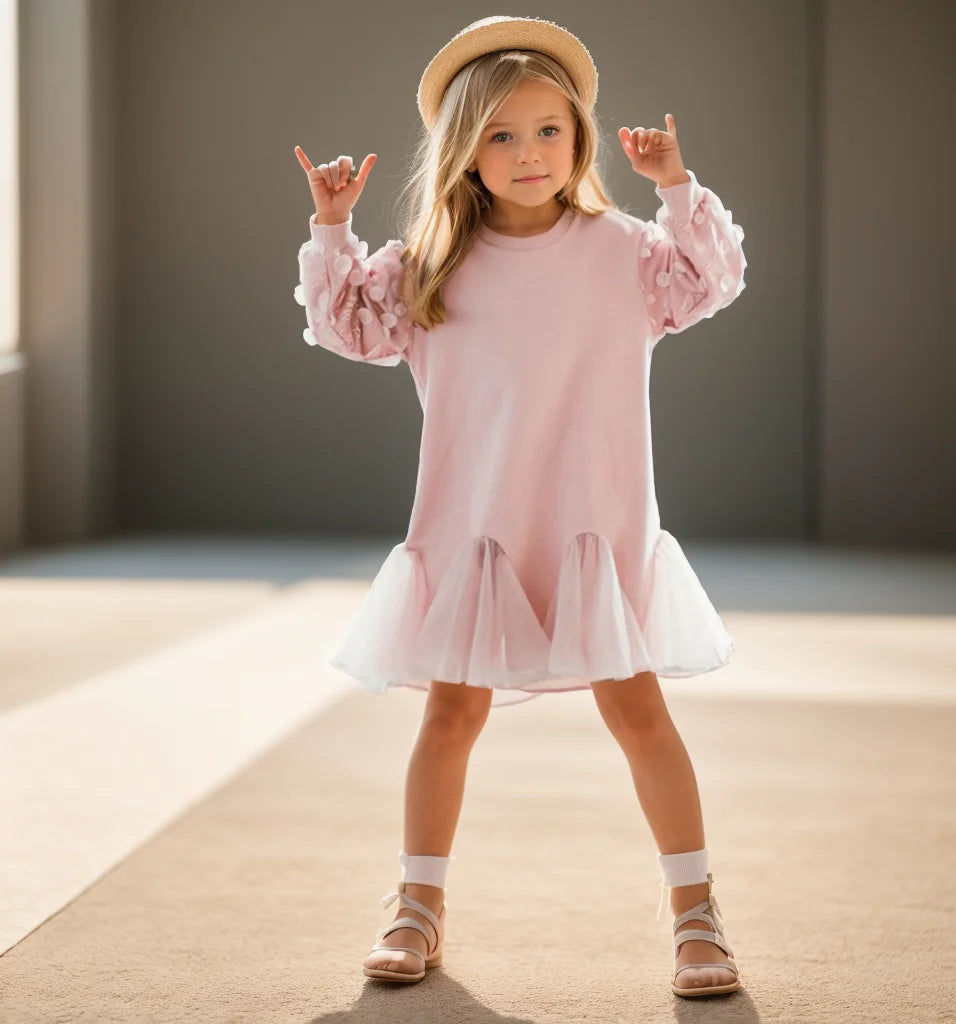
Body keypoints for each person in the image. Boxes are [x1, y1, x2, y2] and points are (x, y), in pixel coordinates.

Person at [293, 15, 747, 999]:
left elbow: (711, 278)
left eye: (548, 130)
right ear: (465, 150)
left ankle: (695, 911)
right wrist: (332, 224)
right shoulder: (428, 265)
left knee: (638, 710)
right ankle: (416, 905)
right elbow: (343, 327)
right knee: (451, 713)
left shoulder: (625, 252)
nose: (528, 152)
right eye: (500, 134)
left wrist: (674, 184)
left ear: (580, 139)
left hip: (596, 517)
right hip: (475, 526)